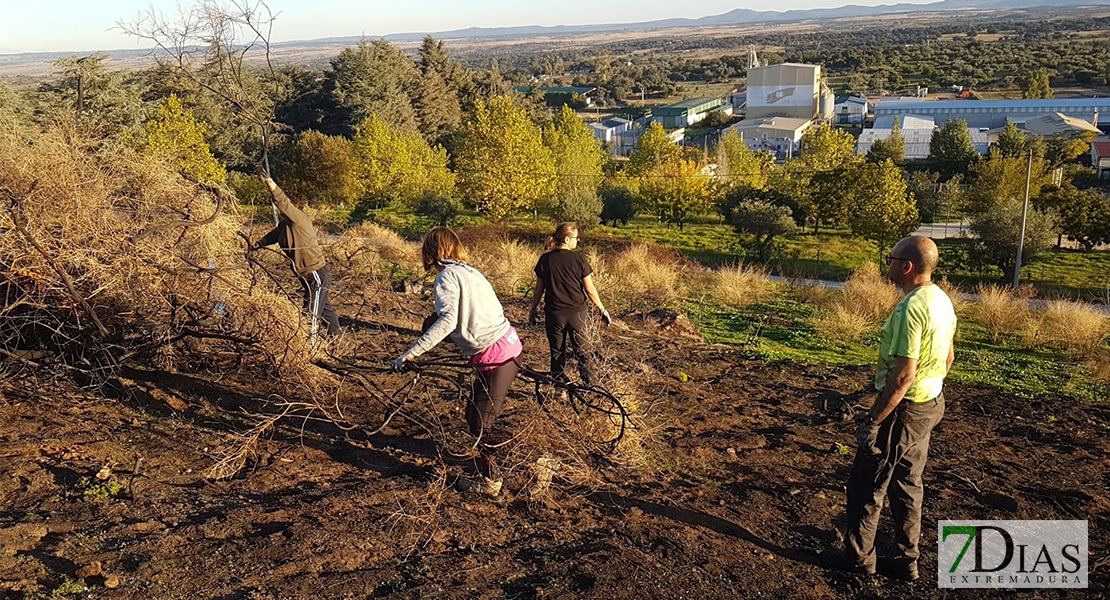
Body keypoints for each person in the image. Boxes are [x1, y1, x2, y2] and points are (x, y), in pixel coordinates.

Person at [843, 236, 957, 581]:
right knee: (908, 483)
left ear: (905, 266)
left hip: (905, 409)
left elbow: (904, 375)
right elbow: (949, 357)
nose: (887, 263)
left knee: (868, 486)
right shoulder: (942, 300)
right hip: (930, 403)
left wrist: (874, 420)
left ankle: (859, 563)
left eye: (891, 258)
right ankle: (907, 561)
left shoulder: (910, 309)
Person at [393, 228, 522, 498]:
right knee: (472, 415)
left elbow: (449, 320)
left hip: (499, 356)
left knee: (481, 425)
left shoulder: (446, 277)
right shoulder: (471, 272)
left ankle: (493, 481)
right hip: (503, 349)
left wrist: (413, 352)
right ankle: (496, 466)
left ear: (430, 252)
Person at [254, 174, 341, 339]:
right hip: (306, 275)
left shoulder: (298, 219)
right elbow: (274, 236)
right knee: (324, 309)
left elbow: (282, 202)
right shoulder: (285, 225)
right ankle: (336, 338)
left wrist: (270, 183)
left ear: (295, 207)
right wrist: (258, 244)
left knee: (310, 313)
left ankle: (310, 349)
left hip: (316, 273)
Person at [529, 222, 610, 390]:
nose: (577, 241)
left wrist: (533, 309)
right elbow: (590, 289)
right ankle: (591, 388)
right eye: (575, 238)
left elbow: (539, 290)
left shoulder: (545, 259)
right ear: (566, 239)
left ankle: (560, 389)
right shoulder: (579, 259)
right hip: (577, 315)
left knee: (557, 352)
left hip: (554, 314)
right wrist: (602, 309)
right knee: (583, 351)